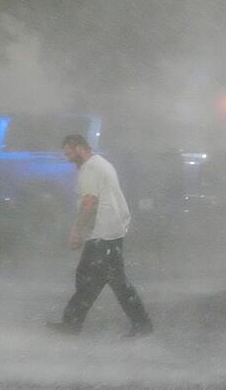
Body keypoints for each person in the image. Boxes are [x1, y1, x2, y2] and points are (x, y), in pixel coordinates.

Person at [47, 134, 153, 338]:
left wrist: (76, 230)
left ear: (78, 148)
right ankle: (72, 323)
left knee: (111, 282)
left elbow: (89, 202)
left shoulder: (90, 168)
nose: (69, 159)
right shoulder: (101, 163)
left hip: (104, 234)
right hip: (110, 232)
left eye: (69, 154)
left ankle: (142, 325)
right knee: (92, 278)